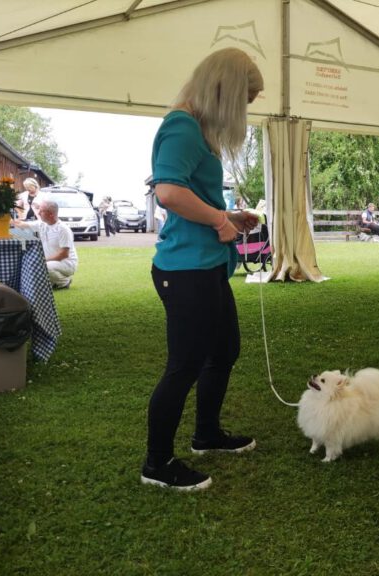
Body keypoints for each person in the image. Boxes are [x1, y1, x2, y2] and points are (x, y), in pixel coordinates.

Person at [140, 48, 263, 491]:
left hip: (205, 265)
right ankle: (156, 463)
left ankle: (206, 435)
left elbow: (190, 195)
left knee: (224, 349)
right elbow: (169, 193)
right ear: (224, 92)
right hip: (185, 270)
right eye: (244, 100)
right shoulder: (182, 127)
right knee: (184, 365)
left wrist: (229, 217)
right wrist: (218, 221)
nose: (243, 111)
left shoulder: (195, 129)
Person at [12, 200, 77, 289]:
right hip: (51, 262)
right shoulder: (41, 224)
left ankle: (64, 282)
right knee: (35, 266)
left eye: (41, 211)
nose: (38, 213)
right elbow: (22, 224)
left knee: (43, 267)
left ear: (51, 214)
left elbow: (63, 254)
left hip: (66, 263)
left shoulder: (63, 229)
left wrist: (42, 260)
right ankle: (52, 282)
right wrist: (8, 219)